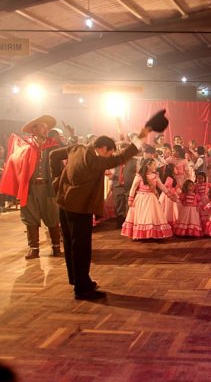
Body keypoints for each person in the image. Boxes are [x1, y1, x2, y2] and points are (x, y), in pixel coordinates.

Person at [50, 125, 151, 300]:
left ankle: (78, 280)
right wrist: (140, 137)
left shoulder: (77, 148)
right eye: (109, 153)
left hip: (64, 203)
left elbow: (53, 155)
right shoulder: (96, 161)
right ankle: (82, 289)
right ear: (103, 148)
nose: (110, 157)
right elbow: (122, 157)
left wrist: (57, 179)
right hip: (80, 208)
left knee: (70, 244)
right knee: (81, 247)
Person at [0, 115, 62, 259]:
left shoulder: (53, 146)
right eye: (42, 127)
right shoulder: (26, 147)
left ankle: (56, 247)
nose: (45, 130)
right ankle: (34, 249)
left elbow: (61, 166)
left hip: (48, 188)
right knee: (30, 216)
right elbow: (14, 162)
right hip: (30, 188)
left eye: (46, 127)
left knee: (52, 216)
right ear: (34, 129)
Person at [122, 158, 176, 242]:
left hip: (151, 198)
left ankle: (150, 234)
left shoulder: (155, 176)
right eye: (154, 165)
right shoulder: (139, 176)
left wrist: (169, 195)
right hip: (141, 199)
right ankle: (142, 234)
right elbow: (133, 188)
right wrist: (130, 199)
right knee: (142, 216)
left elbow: (162, 186)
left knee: (151, 216)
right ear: (148, 165)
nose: (156, 166)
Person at [111, 142, 137, 229]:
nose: (123, 152)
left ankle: (129, 223)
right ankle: (119, 222)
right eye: (121, 150)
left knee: (129, 204)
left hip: (129, 185)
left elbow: (138, 173)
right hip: (117, 185)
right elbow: (111, 171)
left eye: (125, 150)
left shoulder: (135, 161)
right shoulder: (115, 160)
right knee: (118, 204)